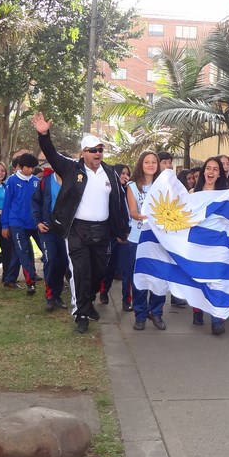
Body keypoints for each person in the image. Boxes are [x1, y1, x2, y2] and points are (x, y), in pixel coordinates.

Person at [32, 114, 129, 335]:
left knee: (98, 273)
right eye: (93, 150)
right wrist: (44, 135)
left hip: (102, 231)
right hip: (77, 230)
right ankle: (81, 314)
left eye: (100, 150)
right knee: (80, 272)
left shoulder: (110, 173)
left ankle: (88, 300)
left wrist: (121, 229)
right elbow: (51, 154)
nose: (97, 153)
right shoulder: (71, 169)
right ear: (83, 153)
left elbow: (118, 203)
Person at [125, 152, 168, 330]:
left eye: (154, 162)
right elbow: (133, 212)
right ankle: (140, 314)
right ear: (141, 165)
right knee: (139, 278)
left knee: (159, 277)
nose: (150, 165)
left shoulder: (164, 185)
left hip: (160, 239)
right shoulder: (132, 186)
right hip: (138, 238)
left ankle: (156, 313)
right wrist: (144, 217)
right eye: (147, 162)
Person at [192, 156, 229, 334]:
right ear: (203, 172)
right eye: (208, 168)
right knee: (198, 278)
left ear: (219, 174)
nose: (211, 172)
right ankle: (197, 310)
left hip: (218, 243)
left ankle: (217, 319)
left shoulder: (227, 195)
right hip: (198, 242)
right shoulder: (192, 193)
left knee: (217, 279)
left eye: (215, 169)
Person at [0, 153, 41, 295]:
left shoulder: (36, 181)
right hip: (17, 223)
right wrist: (5, 225)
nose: (31, 170)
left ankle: (10, 279)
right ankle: (30, 282)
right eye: (28, 167)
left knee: (19, 252)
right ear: (21, 167)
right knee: (23, 252)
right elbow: (6, 204)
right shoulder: (12, 181)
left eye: (33, 167)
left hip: (34, 223)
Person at [33, 166, 69, 310]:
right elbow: (35, 201)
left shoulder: (72, 181)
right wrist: (38, 222)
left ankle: (57, 295)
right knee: (50, 259)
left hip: (64, 230)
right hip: (47, 229)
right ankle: (49, 296)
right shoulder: (46, 181)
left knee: (63, 262)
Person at [100, 163, 131, 306]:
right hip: (113, 236)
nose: (125, 176)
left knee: (126, 269)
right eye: (122, 173)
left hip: (127, 235)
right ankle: (104, 291)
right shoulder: (110, 191)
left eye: (127, 174)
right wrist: (117, 233)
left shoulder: (129, 190)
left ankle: (126, 300)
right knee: (110, 267)